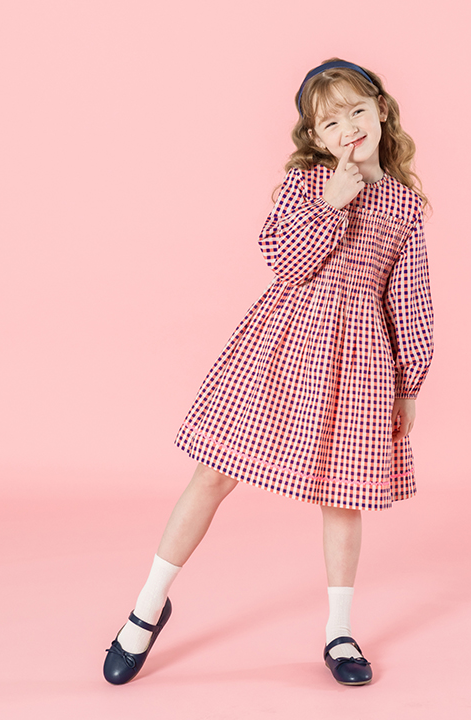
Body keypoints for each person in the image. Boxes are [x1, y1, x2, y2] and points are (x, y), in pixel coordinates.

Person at [103, 57, 434, 687]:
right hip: (281, 345)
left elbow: (409, 299)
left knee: (344, 494)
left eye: (357, 111)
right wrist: (332, 203)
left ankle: (339, 631)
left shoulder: (405, 206)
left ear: (382, 112)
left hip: (359, 362)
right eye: (331, 122)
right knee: (212, 473)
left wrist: (408, 383)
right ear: (316, 136)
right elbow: (285, 262)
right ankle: (147, 607)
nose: (348, 128)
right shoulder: (306, 185)